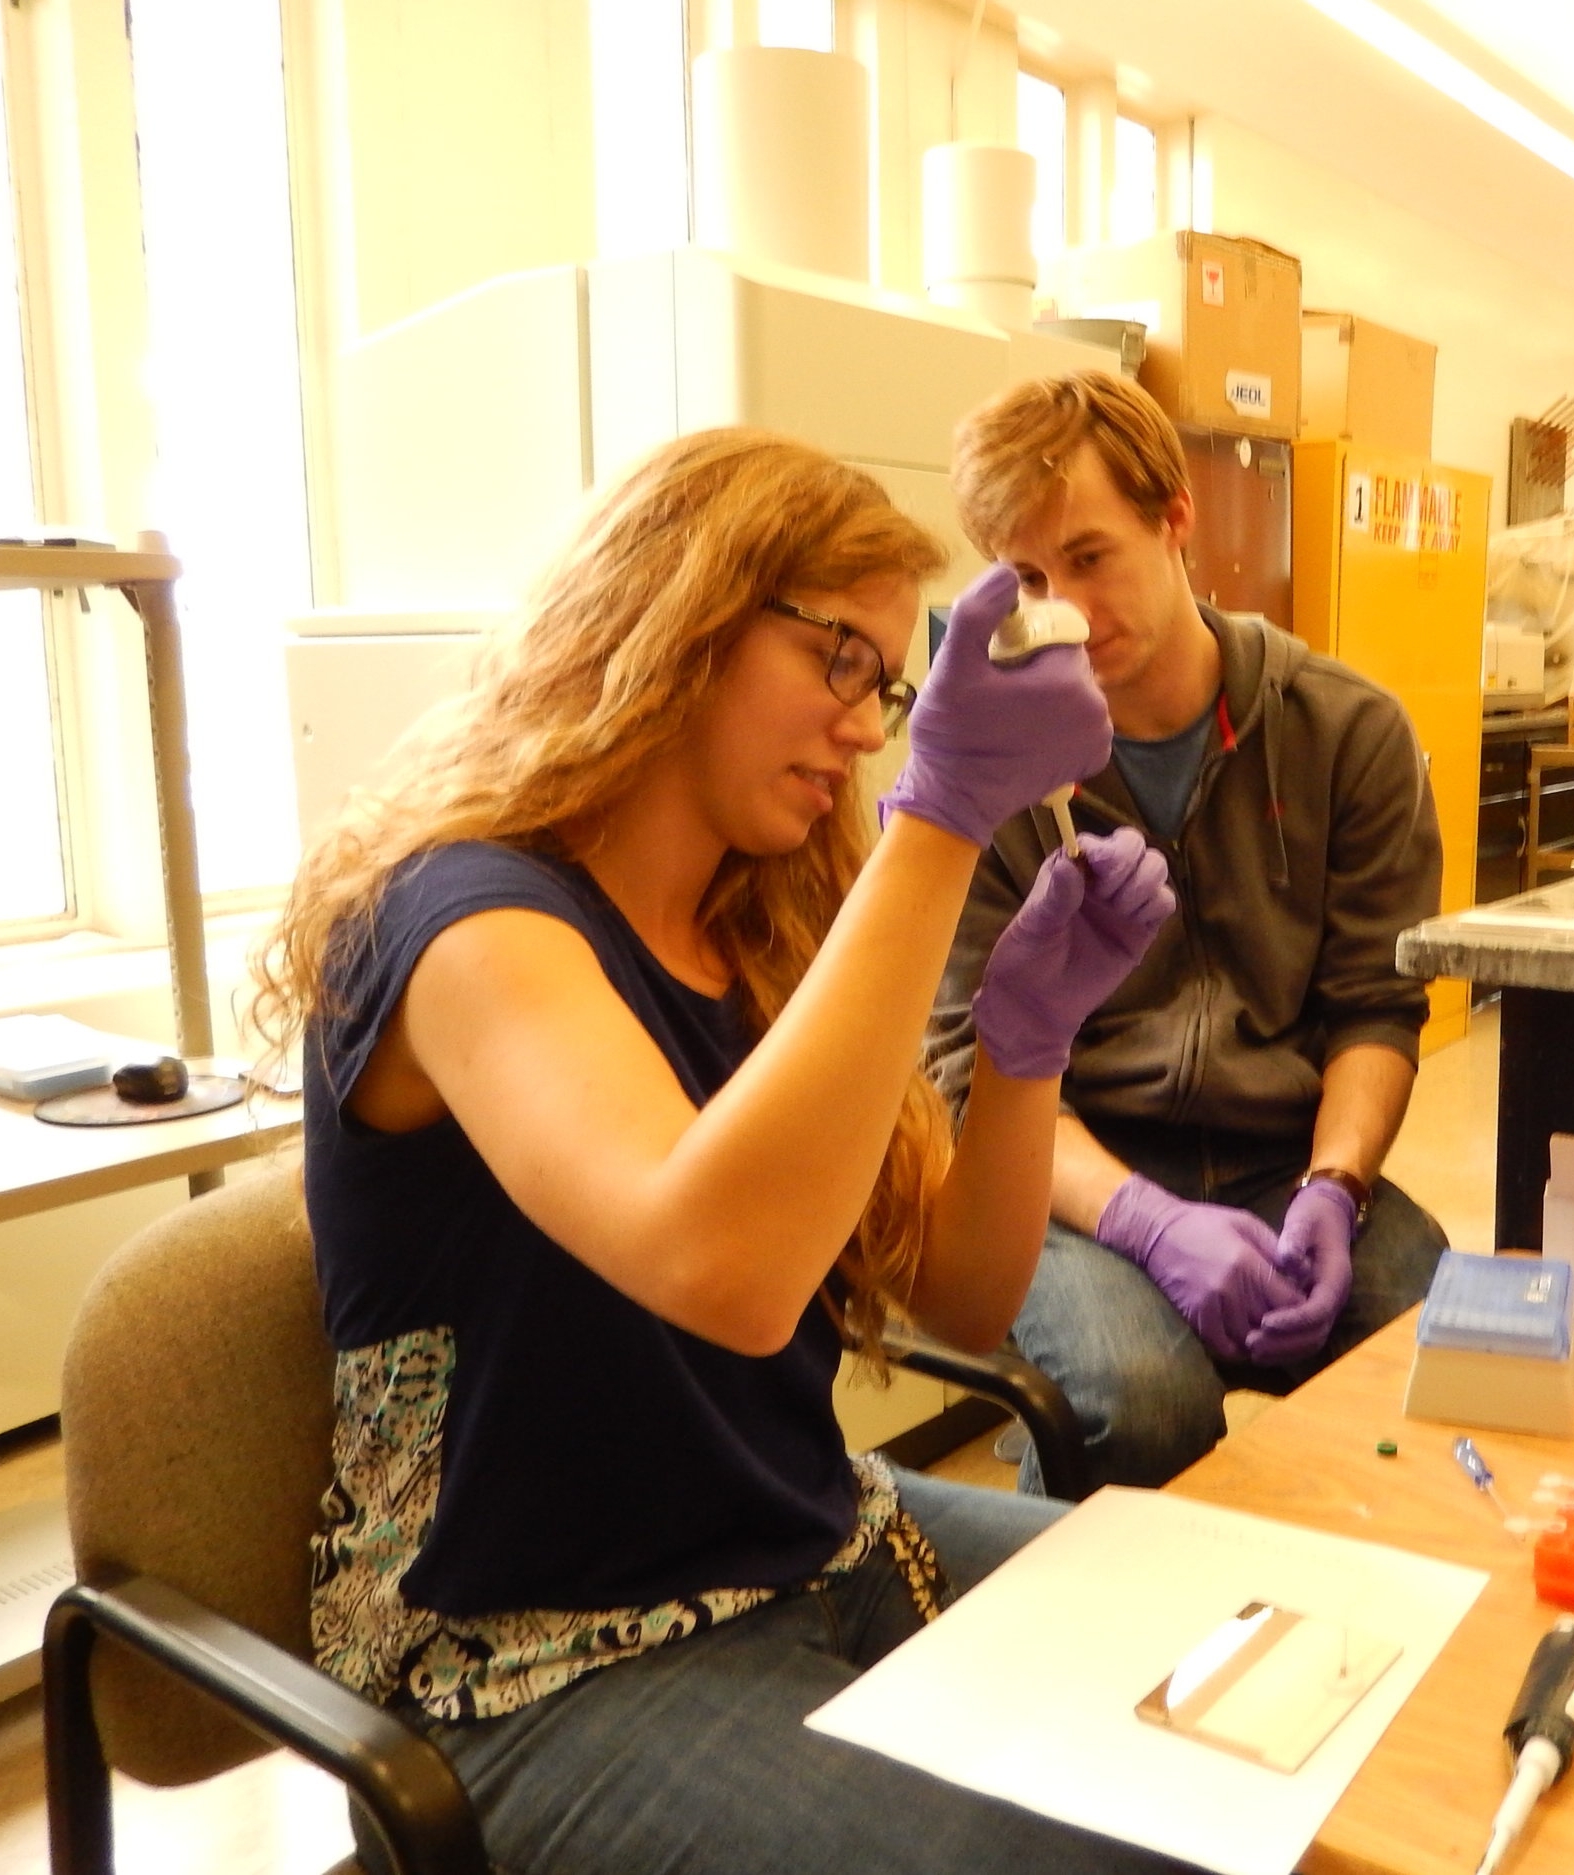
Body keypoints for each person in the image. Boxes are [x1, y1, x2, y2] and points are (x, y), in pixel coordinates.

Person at [253, 429, 1191, 1875]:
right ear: (678, 615)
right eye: (842, 663)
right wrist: (938, 824)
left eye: (892, 688)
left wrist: (1025, 1045)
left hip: (807, 1544)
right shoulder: (460, 918)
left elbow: (966, 1298)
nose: (873, 728)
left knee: (1223, 1685)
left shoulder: (753, 932)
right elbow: (727, 1266)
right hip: (538, 1659)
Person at [928, 373, 1449, 1493]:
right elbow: (969, 1072)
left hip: (1283, 1158)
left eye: (1089, 556)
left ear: (1176, 520)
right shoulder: (994, 776)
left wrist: (1336, 1186)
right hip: (1074, 1176)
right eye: (1025, 578)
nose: (1060, 607)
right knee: (1144, 1402)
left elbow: (1376, 1004)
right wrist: (1147, 1220)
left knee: (1437, 1344)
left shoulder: (1345, 733)